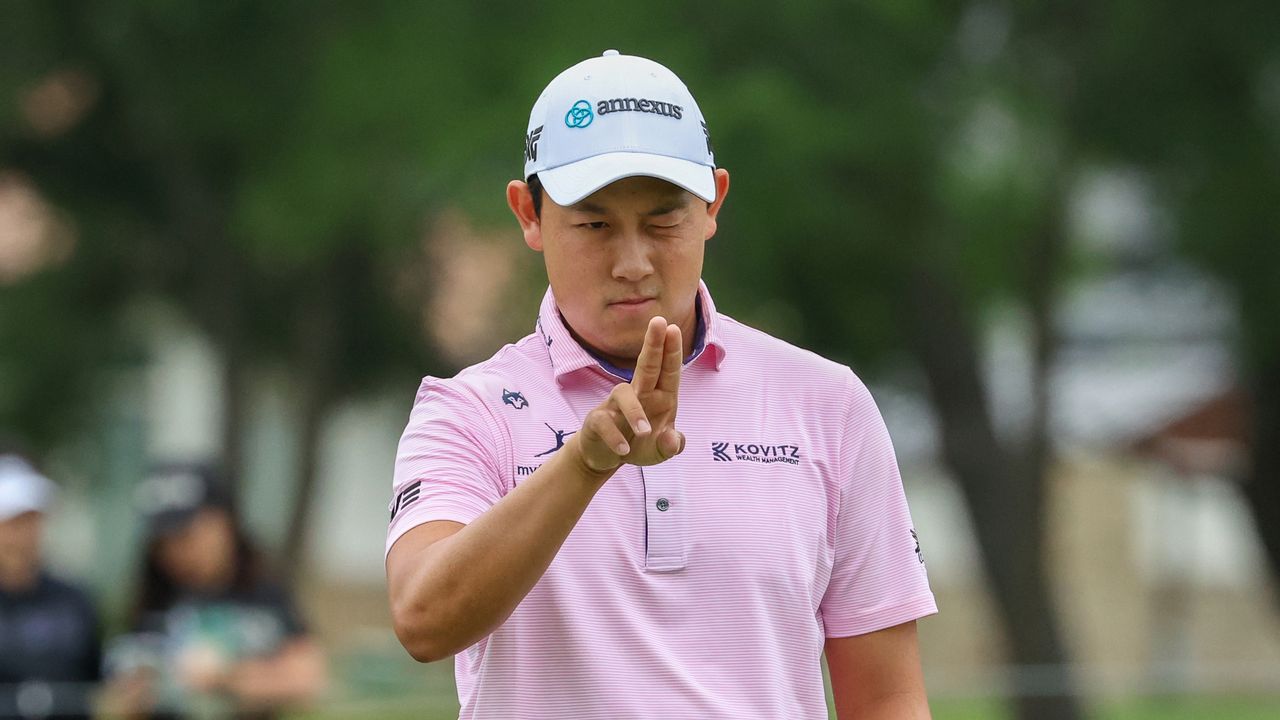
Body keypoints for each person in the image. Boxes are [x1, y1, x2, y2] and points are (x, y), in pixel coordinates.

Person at [386, 50, 937, 719]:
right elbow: (422, 619)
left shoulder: (829, 404)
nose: (632, 262)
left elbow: (885, 698)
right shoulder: (468, 411)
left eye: (663, 221)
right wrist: (584, 465)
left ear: (713, 204)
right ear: (528, 213)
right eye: (594, 224)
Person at [101, 463, 325, 720]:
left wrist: (225, 678)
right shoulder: (156, 595)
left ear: (222, 522)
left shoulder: (263, 587)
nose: (174, 552)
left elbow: (309, 677)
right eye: (163, 542)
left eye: (185, 536)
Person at [0, 452, 102, 720]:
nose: (24, 536)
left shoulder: (73, 600)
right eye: (13, 523)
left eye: (32, 520)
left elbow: (97, 683)